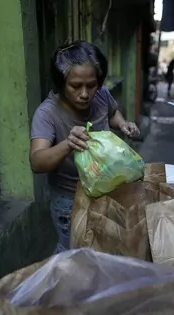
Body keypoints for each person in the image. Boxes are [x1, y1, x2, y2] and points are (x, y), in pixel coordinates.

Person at [29, 41, 140, 252]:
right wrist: (67, 144)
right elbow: (37, 161)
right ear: (61, 83)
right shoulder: (47, 114)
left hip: (108, 189)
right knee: (73, 250)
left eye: (91, 85)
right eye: (76, 86)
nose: (85, 94)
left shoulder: (101, 95)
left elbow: (112, 112)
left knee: (105, 247)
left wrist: (123, 124)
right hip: (69, 199)